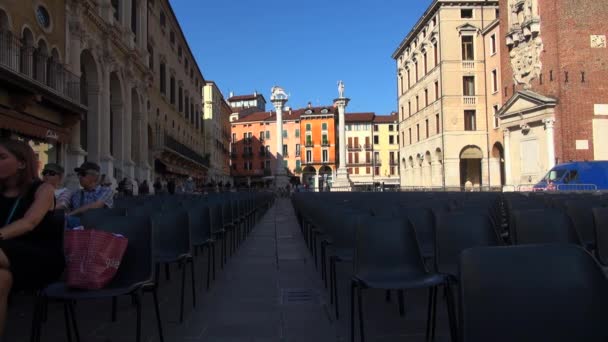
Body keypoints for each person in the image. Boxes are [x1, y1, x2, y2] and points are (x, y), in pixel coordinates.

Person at [0, 139, 65, 336]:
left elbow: (29, 222)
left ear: (22, 163)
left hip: (40, 258)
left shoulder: (43, 189)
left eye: (1, 157)